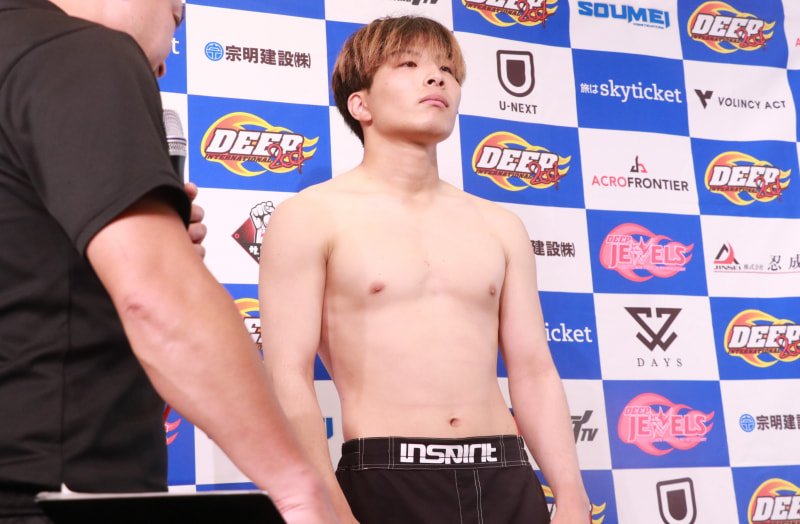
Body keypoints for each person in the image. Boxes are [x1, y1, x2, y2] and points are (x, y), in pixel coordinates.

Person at [0, 1, 337, 522]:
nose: (160, 68)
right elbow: (156, 299)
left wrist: (139, 235)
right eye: (175, 19)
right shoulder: (85, 51)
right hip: (50, 492)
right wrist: (296, 488)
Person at [258, 15, 590, 524]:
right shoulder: (309, 216)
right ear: (360, 104)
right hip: (386, 476)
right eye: (408, 65)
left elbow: (533, 369)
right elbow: (287, 374)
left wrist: (571, 494)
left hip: (505, 472)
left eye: (447, 70)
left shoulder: (500, 224)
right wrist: (326, 503)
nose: (436, 77)